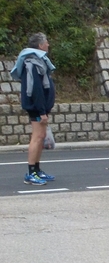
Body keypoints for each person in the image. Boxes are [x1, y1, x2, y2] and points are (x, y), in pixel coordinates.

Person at [10, 33, 56, 185]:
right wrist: (42, 111)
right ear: (40, 45)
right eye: (46, 42)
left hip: (40, 107)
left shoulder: (38, 61)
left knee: (41, 136)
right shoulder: (32, 63)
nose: (48, 45)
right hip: (36, 107)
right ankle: (31, 173)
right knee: (37, 137)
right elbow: (35, 89)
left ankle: (37, 170)